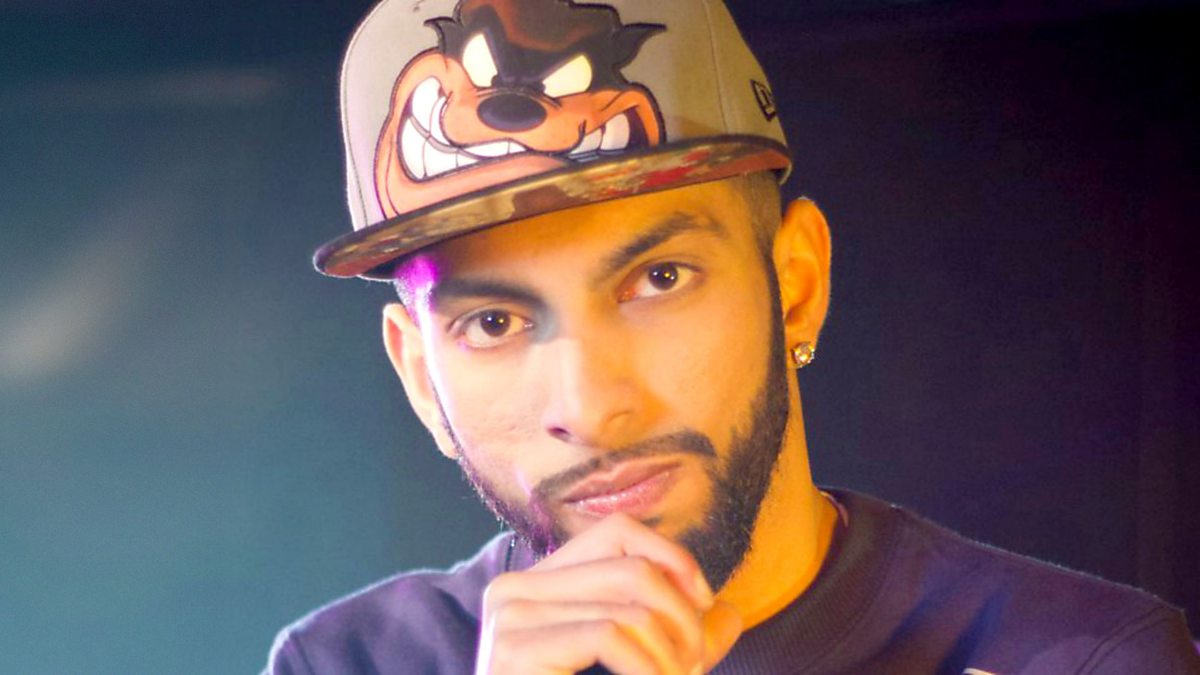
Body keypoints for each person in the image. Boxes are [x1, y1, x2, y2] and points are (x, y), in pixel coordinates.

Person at [266, 0, 1200, 672]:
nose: (590, 406)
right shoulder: (347, 662)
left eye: (658, 278)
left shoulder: (1076, 656)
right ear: (421, 380)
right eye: (494, 322)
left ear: (796, 286)